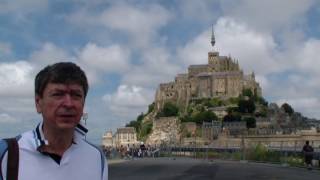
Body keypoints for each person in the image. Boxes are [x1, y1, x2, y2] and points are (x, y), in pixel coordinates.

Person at [0, 62, 108, 179]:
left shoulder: (96, 157)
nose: (68, 104)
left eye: (76, 95)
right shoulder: (8, 153)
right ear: (38, 103)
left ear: (83, 103)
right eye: (58, 94)